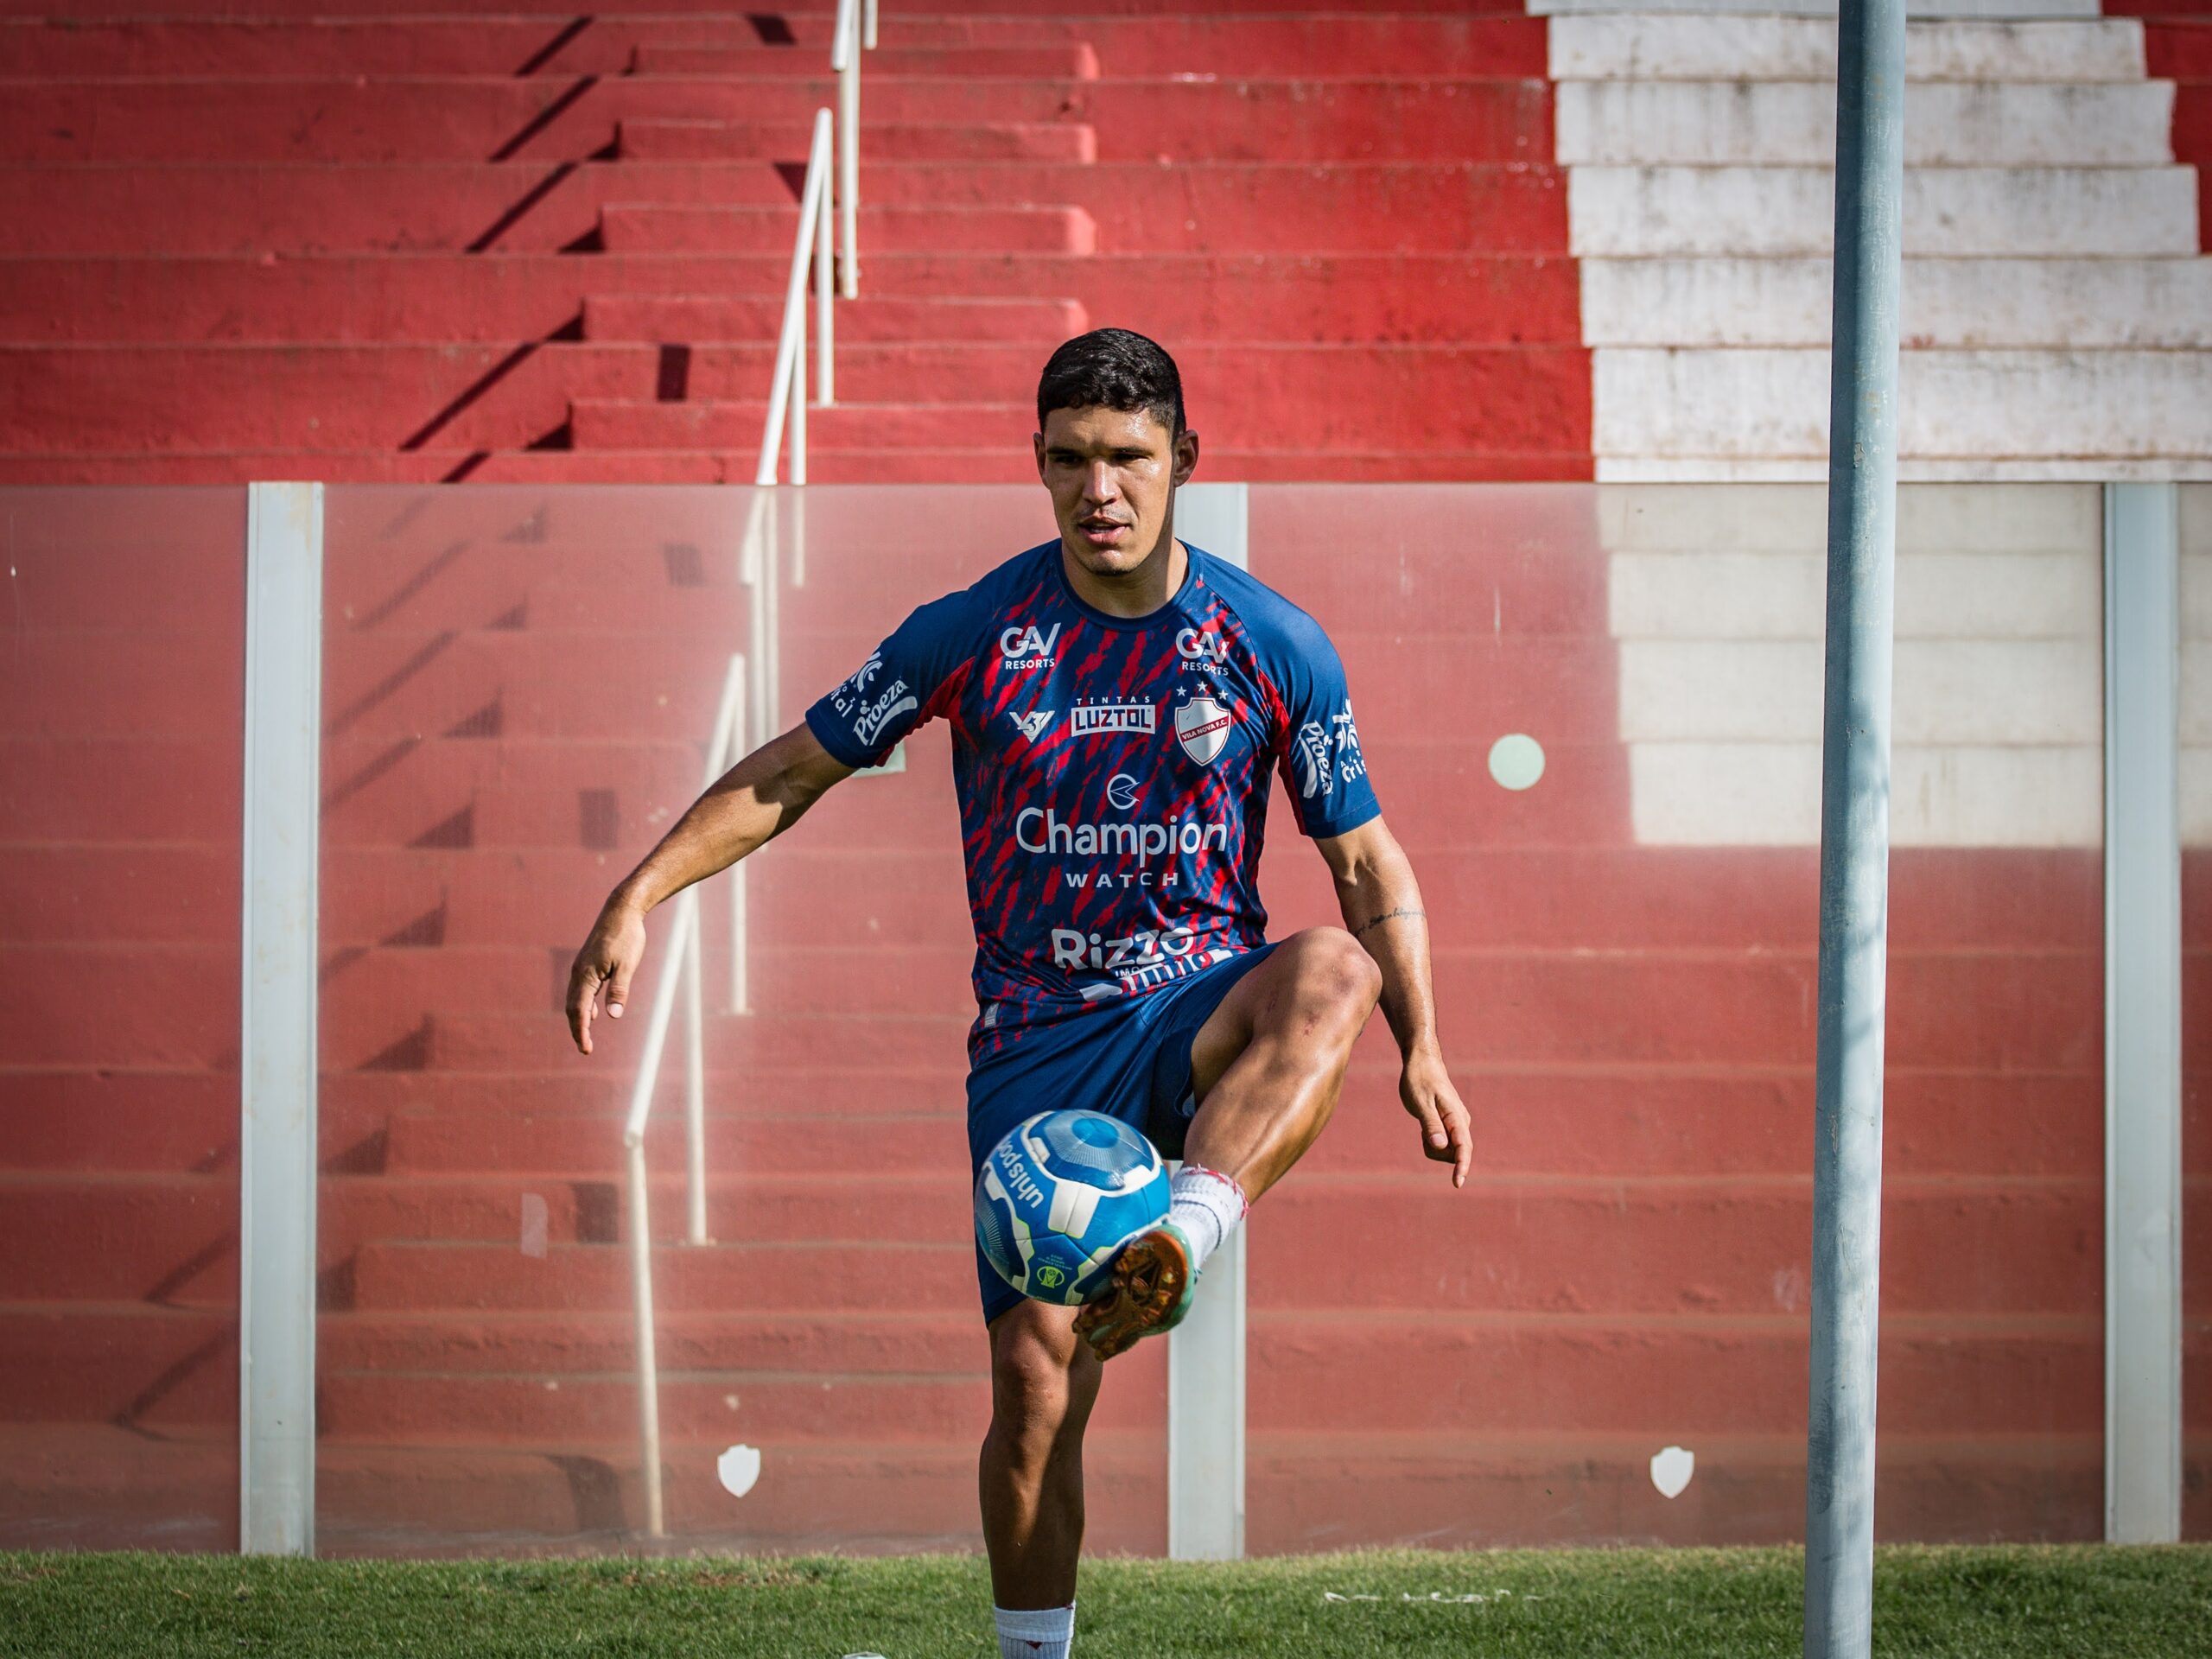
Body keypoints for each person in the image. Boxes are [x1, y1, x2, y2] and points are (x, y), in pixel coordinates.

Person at [566, 327, 1470, 1659]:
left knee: (1338, 966)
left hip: (1198, 1008)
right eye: (1070, 460)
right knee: (1039, 1381)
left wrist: (1425, 1045)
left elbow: (1364, 862)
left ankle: (1185, 1239)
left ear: (1182, 464)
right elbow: (789, 773)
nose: (1099, 487)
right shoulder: (976, 632)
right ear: (1039, 465)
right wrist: (636, 895)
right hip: (1041, 1049)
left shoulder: (1272, 642)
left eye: (1128, 458)